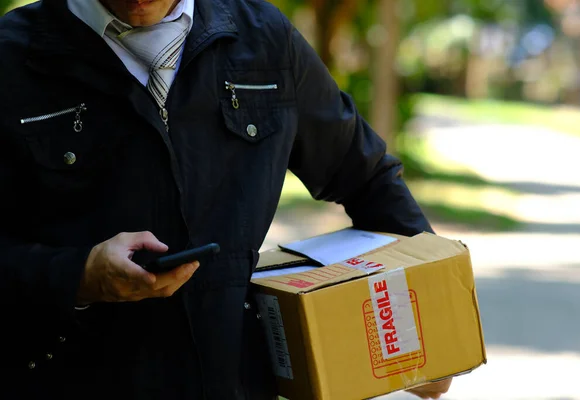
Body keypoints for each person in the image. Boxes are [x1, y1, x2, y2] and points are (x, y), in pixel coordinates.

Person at [0, 0, 452, 399]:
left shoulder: (266, 40)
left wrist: (432, 321)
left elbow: (367, 178)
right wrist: (80, 275)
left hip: (238, 380)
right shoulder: (12, 55)